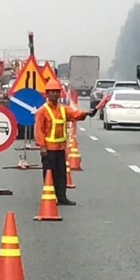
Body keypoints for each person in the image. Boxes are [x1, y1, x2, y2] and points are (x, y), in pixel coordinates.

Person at [34, 78, 90, 206]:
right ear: (47, 94)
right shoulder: (42, 111)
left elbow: (75, 115)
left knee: (61, 174)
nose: (55, 94)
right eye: (52, 91)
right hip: (48, 149)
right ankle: (50, 196)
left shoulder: (63, 109)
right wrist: (42, 147)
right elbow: (39, 130)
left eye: (57, 91)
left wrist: (85, 114)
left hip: (60, 148)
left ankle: (62, 197)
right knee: (49, 173)